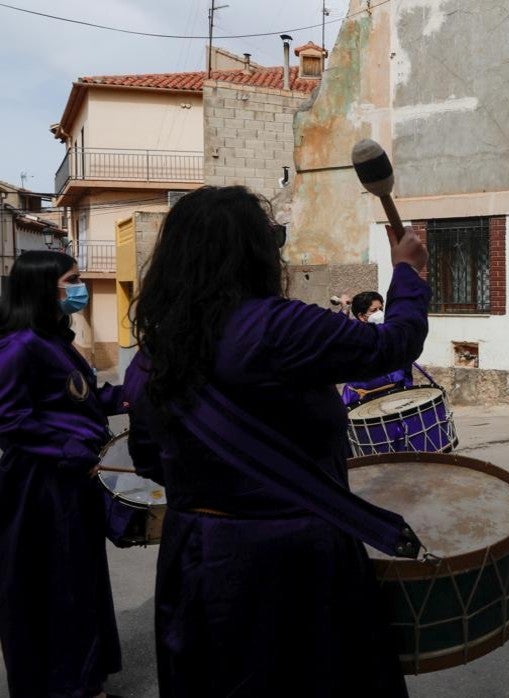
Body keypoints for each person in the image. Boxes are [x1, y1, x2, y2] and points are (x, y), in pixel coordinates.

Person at [124, 185, 430, 696]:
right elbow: (394, 344)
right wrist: (407, 273)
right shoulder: (279, 327)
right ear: (254, 254)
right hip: (294, 560)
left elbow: (148, 456)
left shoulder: (156, 349)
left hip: (196, 558)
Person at [0, 251, 126, 698]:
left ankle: (86, 673)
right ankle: (66, 684)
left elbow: (78, 399)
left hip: (72, 477)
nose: (80, 288)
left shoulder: (55, 339)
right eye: (72, 280)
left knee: (79, 576)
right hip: (40, 484)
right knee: (55, 584)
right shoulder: (18, 347)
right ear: (43, 287)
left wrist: (126, 398)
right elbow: (10, 420)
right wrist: (70, 449)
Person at [341, 290, 415, 407]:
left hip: (393, 396)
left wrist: (407, 390)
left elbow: (405, 366)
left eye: (381, 309)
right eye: (374, 310)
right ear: (361, 316)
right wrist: (345, 309)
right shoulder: (353, 336)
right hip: (363, 400)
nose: (380, 313)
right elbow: (335, 331)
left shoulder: (390, 332)